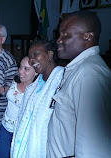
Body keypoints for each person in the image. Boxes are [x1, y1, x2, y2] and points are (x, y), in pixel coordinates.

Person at [47, 10, 111, 158]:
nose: (58, 40)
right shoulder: (77, 69)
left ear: (87, 37)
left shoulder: (90, 75)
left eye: (65, 35)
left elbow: (93, 147)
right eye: (59, 34)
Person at [10, 38, 64, 158]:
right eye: (30, 56)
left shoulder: (63, 82)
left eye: (36, 54)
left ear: (50, 54)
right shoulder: (32, 87)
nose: (32, 60)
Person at [0, 56, 38, 158]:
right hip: (5, 126)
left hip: (20, 131)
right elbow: (10, 91)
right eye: (20, 67)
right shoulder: (16, 80)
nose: (21, 71)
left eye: (26, 69)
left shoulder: (36, 90)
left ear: (36, 72)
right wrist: (2, 89)